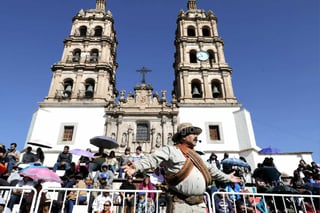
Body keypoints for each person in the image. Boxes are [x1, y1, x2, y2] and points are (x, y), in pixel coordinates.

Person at [122, 122, 241, 212]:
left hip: (199, 205)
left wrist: (227, 177)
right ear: (183, 135)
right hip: (180, 205)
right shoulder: (171, 150)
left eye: (196, 133)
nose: (196, 136)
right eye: (192, 133)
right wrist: (136, 166)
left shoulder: (197, 156)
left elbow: (211, 170)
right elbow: (153, 159)